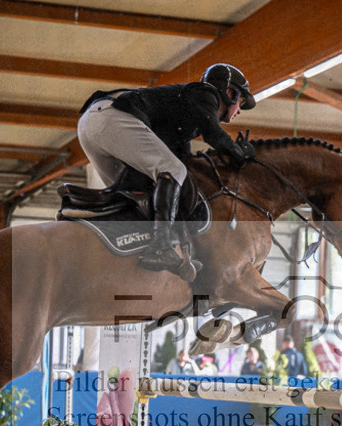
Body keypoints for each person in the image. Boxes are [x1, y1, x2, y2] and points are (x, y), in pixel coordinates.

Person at [76, 63, 257, 281]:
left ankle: (125, 250)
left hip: (90, 127)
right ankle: (160, 247)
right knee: (171, 170)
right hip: (111, 117)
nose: (238, 111)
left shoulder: (185, 120)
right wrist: (242, 155)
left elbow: (185, 162)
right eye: (241, 103)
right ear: (230, 93)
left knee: (134, 194)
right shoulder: (206, 94)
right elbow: (215, 136)